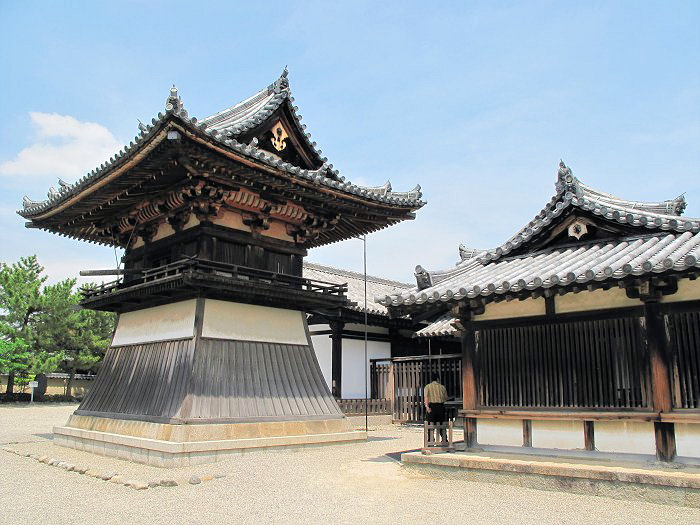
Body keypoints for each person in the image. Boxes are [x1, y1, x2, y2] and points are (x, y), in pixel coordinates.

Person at [424, 374, 448, 444]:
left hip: (432, 407)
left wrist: (427, 407)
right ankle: (444, 440)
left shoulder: (427, 386)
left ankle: (431, 440)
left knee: (430, 424)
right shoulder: (442, 387)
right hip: (440, 406)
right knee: (441, 424)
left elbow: (426, 397)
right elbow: (445, 398)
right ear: (438, 379)